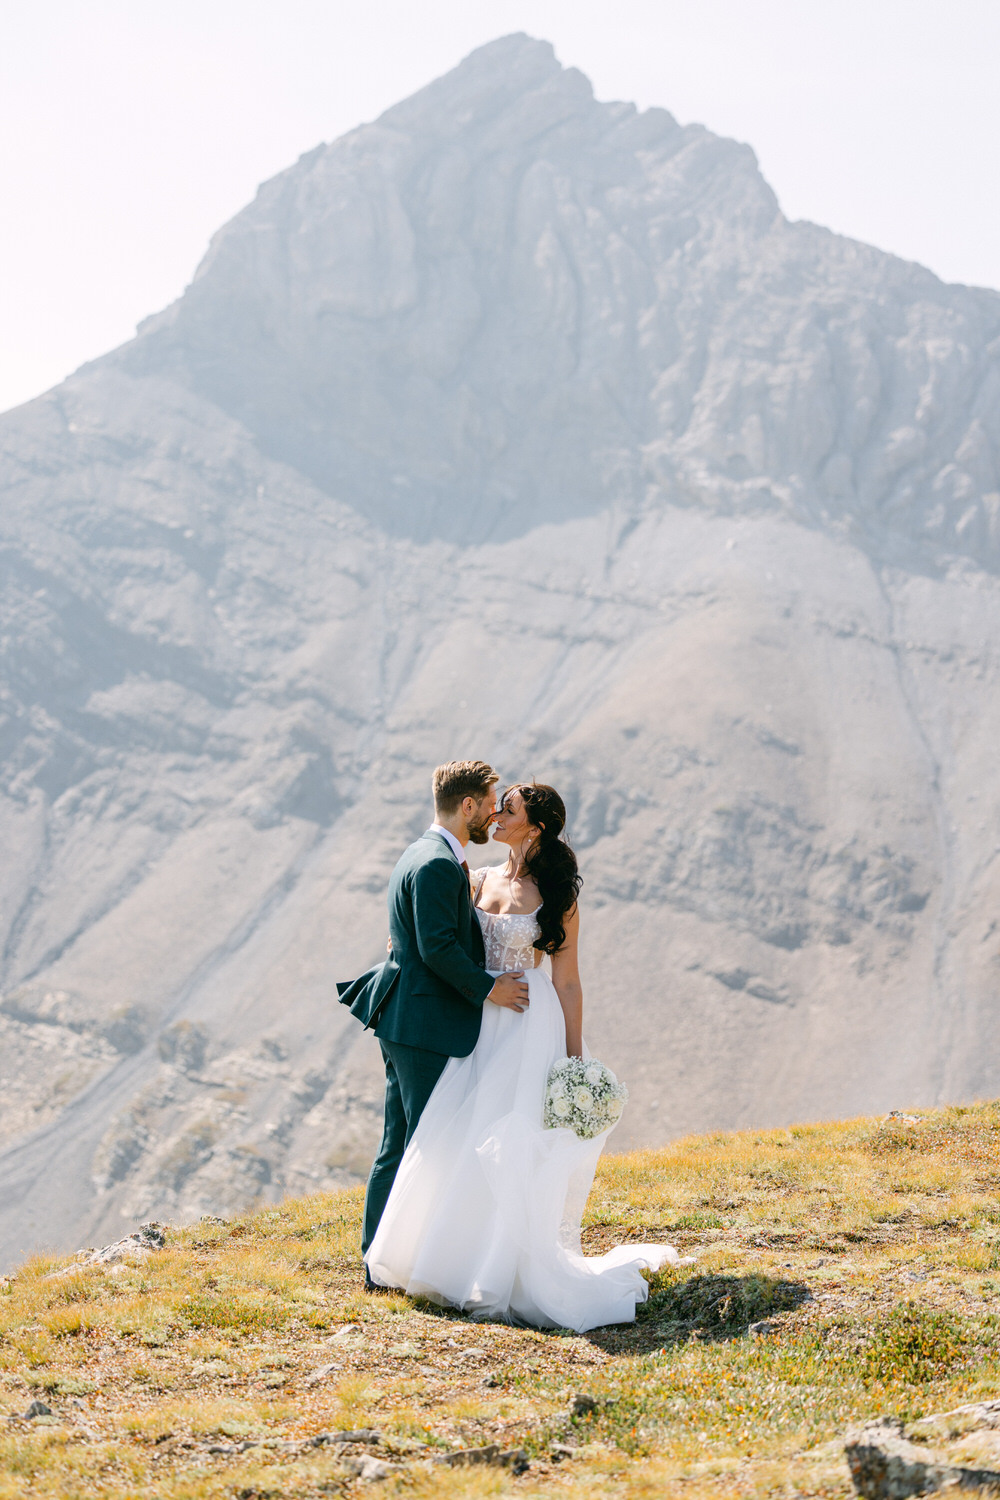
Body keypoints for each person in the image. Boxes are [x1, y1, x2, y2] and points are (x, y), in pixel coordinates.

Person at [364, 780, 690, 1332]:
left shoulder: (557, 896)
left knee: (507, 1138)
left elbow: (567, 983)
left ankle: (499, 1268)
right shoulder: (478, 878)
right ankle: (445, 1254)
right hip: (474, 1017)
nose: (495, 815)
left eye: (507, 810)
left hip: (524, 1018)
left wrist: (572, 1062)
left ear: (533, 827)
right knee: (458, 1133)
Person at [337, 760, 530, 1290]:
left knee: (398, 1143)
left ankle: (380, 1259)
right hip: (422, 1023)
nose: (493, 811)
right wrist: (491, 988)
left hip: (406, 1017)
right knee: (428, 1146)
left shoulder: (425, 851)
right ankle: (406, 1262)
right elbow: (437, 946)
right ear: (467, 805)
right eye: (490, 801)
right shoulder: (440, 864)